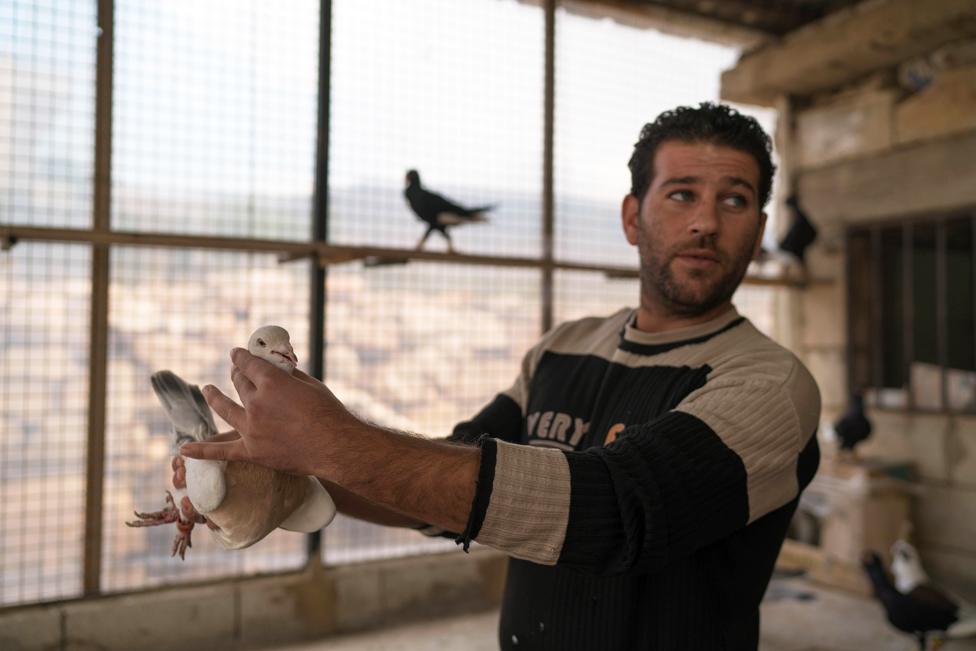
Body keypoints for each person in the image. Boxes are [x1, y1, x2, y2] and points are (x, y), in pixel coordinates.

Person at [181, 102, 821, 651]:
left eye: (734, 200)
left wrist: (333, 440)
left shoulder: (770, 386)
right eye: (682, 194)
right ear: (633, 218)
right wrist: (286, 474)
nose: (705, 221)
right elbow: (446, 488)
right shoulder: (564, 348)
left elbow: (619, 512)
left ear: (761, 230)